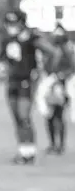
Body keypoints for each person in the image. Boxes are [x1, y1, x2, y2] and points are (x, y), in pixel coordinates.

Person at [0, 10, 61, 164]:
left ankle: (30, 151)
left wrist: (44, 71)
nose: (11, 26)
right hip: (11, 80)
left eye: (14, 23)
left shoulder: (31, 37)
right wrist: (1, 70)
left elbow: (53, 52)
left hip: (26, 80)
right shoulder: (6, 39)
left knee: (24, 116)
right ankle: (22, 150)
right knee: (16, 117)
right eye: (9, 23)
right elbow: (2, 60)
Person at [36, 23, 75, 155]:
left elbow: (71, 67)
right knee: (49, 116)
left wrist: (61, 76)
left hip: (61, 84)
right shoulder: (50, 50)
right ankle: (52, 143)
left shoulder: (68, 50)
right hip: (50, 84)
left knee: (59, 114)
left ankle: (61, 144)